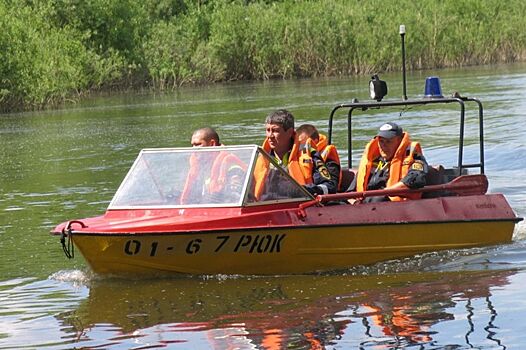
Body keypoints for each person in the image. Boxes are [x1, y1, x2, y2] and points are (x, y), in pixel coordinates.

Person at [261, 109, 338, 196]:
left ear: (290, 132)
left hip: (302, 205)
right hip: (266, 206)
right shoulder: (260, 158)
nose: (270, 136)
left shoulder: (309, 155)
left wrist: (303, 190)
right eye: (268, 130)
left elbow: (329, 187)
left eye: (275, 131)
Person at [353, 122, 428, 202]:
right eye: (381, 141)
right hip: (365, 205)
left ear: (399, 141)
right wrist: (354, 202)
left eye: (388, 141)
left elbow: (415, 179)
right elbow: (351, 192)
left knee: (378, 199)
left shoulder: (413, 156)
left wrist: (384, 192)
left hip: (397, 205)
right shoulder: (372, 160)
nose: (383, 146)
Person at [181, 127, 246, 204]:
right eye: (192, 145)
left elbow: (235, 200)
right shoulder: (203, 168)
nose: (193, 149)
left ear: (212, 144)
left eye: (198, 144)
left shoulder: (234, 170)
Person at [296, 123, 342, 191]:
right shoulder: (295, 159)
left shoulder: (329, 162)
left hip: (324, 199)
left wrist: (311, 190)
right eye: (298, 145)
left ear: (315, 142)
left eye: (304, 144)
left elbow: (332, 186)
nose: (301, 148)